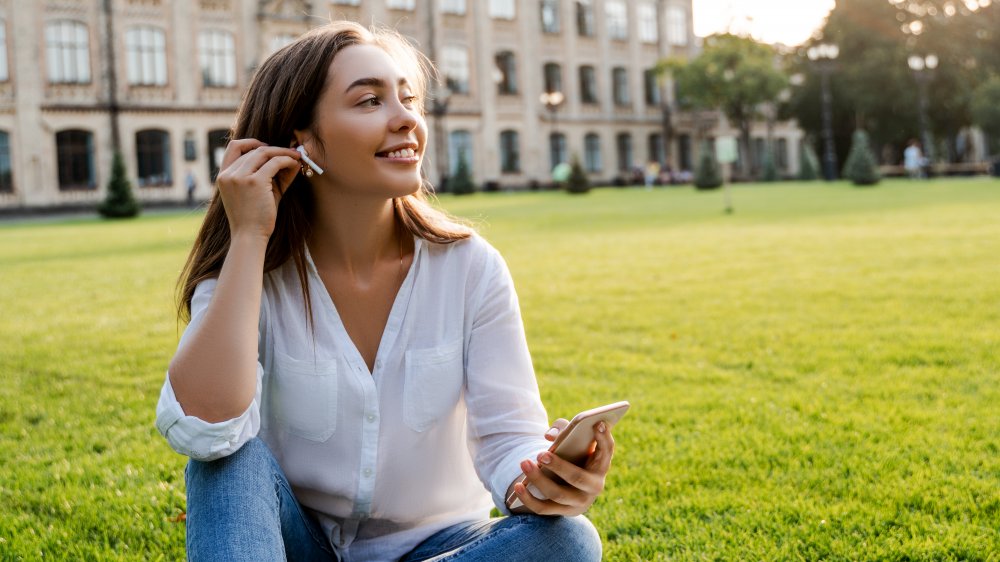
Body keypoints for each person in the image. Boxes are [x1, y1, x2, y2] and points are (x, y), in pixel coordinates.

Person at [155, 21, 611, 562]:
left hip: (439, 547)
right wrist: (250, 236)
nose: (406, 120)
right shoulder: (249, 272)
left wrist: (537, 482)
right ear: (300, 138)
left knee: (569, 541)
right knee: (228, 460)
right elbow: (206, 432)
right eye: (370, 100)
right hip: (296, 544)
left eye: (409, 98)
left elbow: (509, 433)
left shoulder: (470, 268)